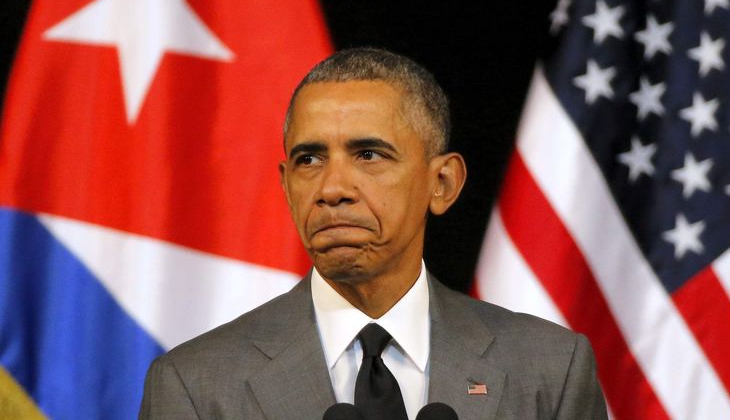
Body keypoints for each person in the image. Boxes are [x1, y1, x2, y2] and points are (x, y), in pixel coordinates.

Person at [138, 47, 608, 419]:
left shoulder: (551, 370)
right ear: (286, 186)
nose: (332, 188)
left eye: (368, 155)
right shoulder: (194, 384)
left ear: (441, 184)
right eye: (309, 159)